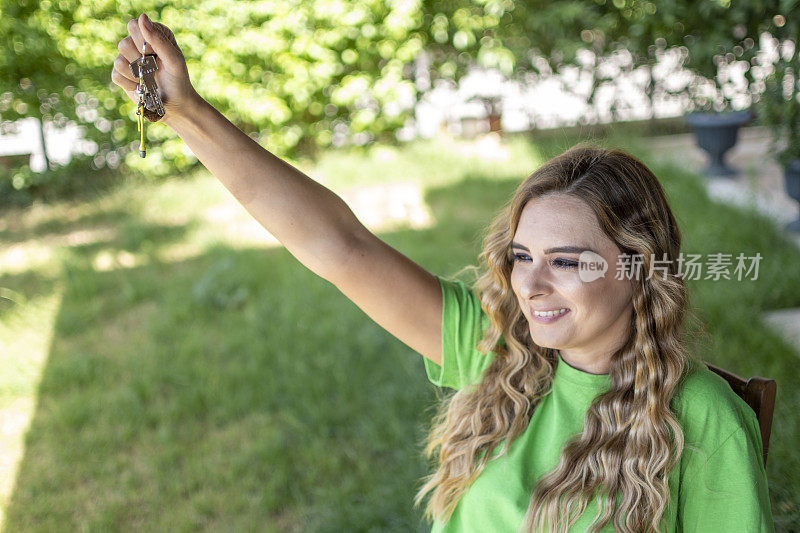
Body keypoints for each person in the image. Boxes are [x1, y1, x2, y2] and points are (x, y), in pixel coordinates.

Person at [112, 14, 775, 533]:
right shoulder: (500, 351)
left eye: (568, 260)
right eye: (522, 256)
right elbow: (337, 244)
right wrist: (183, 110)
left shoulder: (704, 421)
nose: (532, 285)